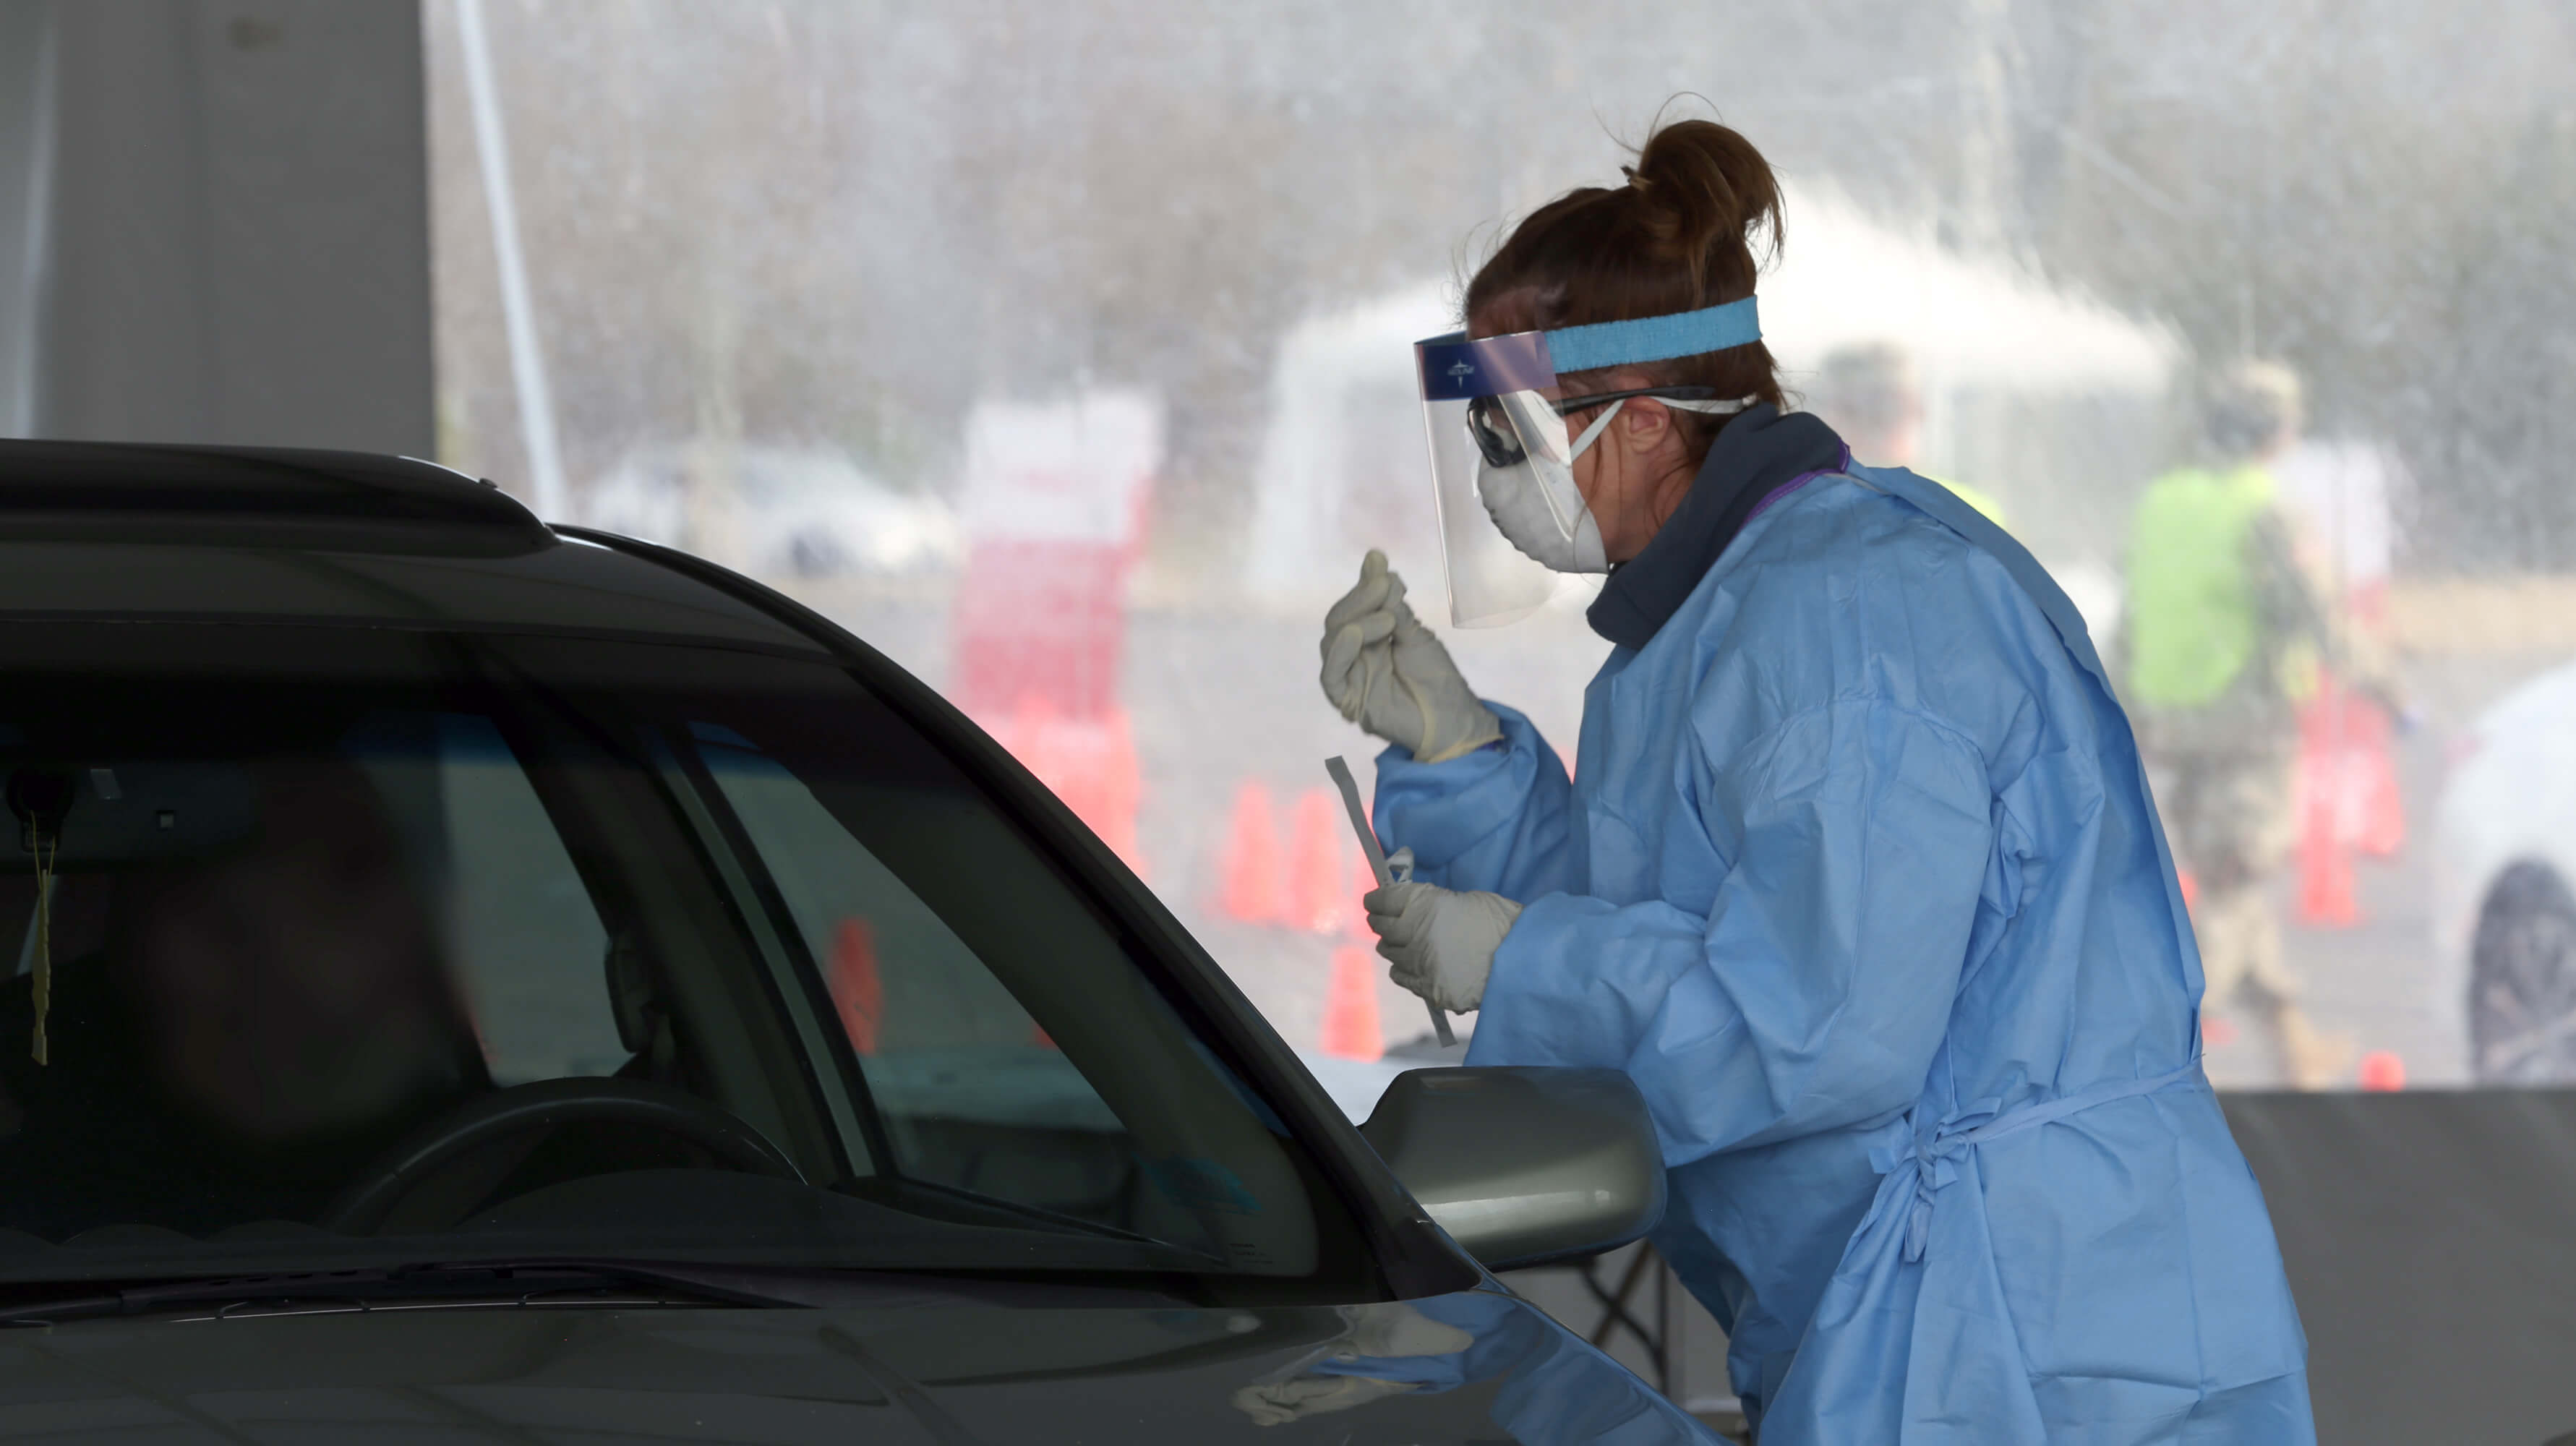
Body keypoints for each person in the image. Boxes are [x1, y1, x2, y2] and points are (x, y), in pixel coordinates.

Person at [1319, 118, 2312, 1442]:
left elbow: (1811, 1022)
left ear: (1646, 425)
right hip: (1921, 1319)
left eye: (1509, 437)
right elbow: (1661, 931)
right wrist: (1461, 765)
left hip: (2031, 1337)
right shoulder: (1719, 621)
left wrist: (1517, 963)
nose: (1496, 481)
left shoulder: (1849, 625)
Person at [2122, 362, 2359, 1089]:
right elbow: (2315, 614)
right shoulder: (2265, 508)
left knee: (2230, 880)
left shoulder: (2162, 501)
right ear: (2276, 430)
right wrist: (2388, 688)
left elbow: (2130, 614)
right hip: (2246, 725)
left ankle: (2295, 1051)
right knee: (2231, 883)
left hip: (2172, 721)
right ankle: (2143, 1052)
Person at [1809, 341, 2011, 526]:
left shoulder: (1799, 505)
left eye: (1890, 405)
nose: (1878, 421)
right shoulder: (1968, 511)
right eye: (1867, 407)